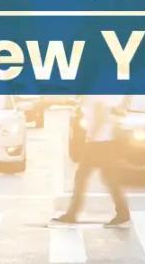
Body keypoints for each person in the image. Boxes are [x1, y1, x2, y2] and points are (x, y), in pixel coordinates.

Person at [51, 95, 129, 228]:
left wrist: (91, 136)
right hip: (103, 142)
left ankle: (72, 214)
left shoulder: (93, 95)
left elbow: (100, 117)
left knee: (82, 177)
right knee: (108, 179)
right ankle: (122, 212)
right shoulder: (92, 95)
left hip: (98, 143)